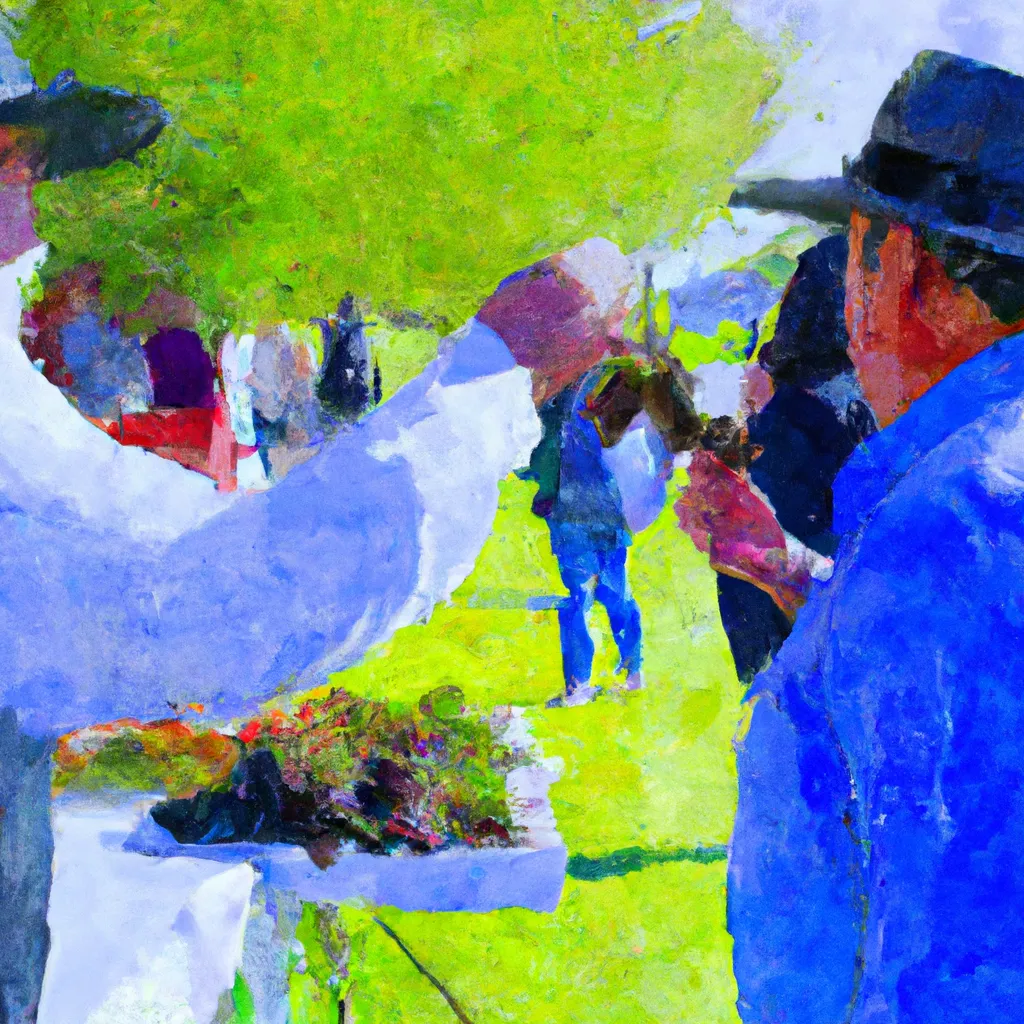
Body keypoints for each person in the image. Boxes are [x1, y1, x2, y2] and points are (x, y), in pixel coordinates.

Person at [723, 50, 1024, 1022]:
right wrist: (783, 573)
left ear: (902, 269)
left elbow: (952, 977)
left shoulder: (947, 528)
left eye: (851, 252)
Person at [526, 357, 701, 707]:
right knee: (612, 595)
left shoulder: (584, 392)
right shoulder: (602, 387)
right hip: (598, 513)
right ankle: (629, 673)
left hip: (578, 515)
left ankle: (585, 685)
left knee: (585, 599)